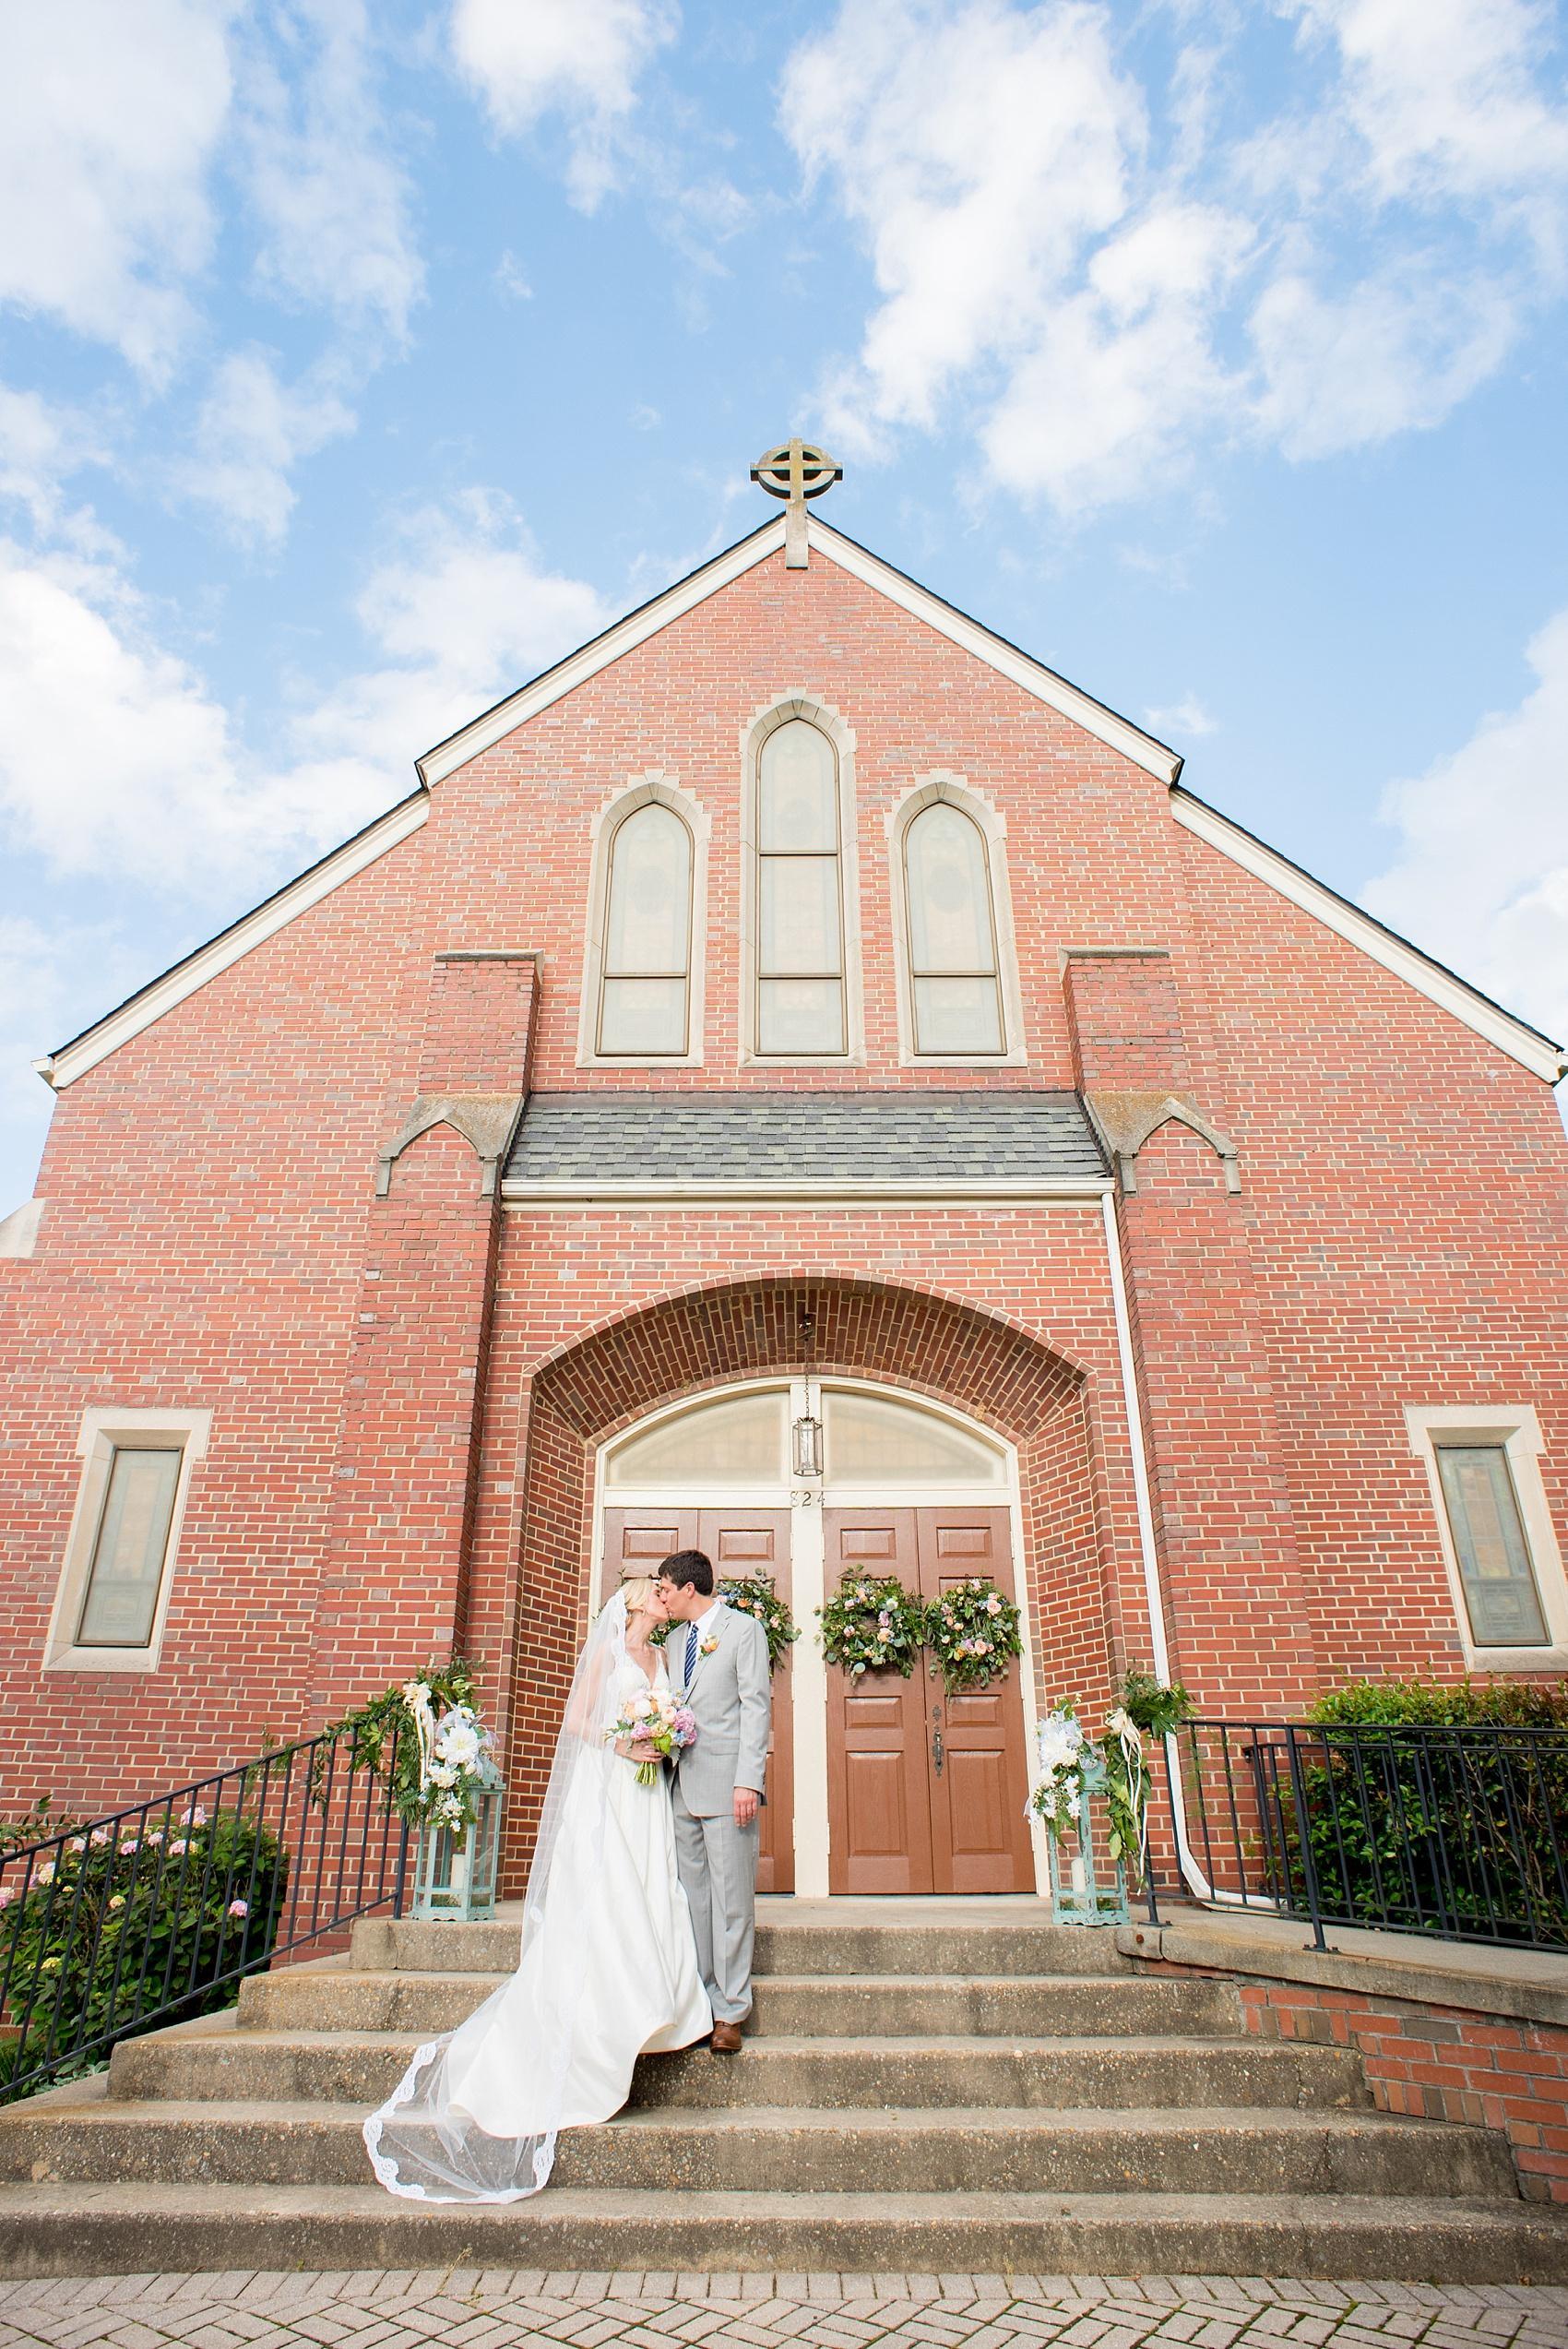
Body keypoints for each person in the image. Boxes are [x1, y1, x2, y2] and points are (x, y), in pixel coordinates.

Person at [362, 1575, 711, 2201]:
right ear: (633, 1603)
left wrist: (664, 1735)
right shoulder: (608, 1652)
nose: (663, 1597)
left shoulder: (661, 1657)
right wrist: (626, 1744)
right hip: (610, 1784)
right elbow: (578, 1723)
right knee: (610, 1895)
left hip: (649, 1793)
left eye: (667, 1592)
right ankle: (610, 2013)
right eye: (654, 1593)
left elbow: (668, 1713)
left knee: (655, 1887)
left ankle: (665, 2006)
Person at [656, 1548, 771, 2052]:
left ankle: (731, 2012)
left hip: (728, 1787)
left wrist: (748, 1781)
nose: (662, 1596)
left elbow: (755, 1708)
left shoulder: (744, 1631)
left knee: (730, 1902)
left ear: (689, 1588)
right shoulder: (675, 1639)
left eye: (665, 1587)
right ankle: (702, 2002)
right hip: (680, 1786)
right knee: (693, 1900)